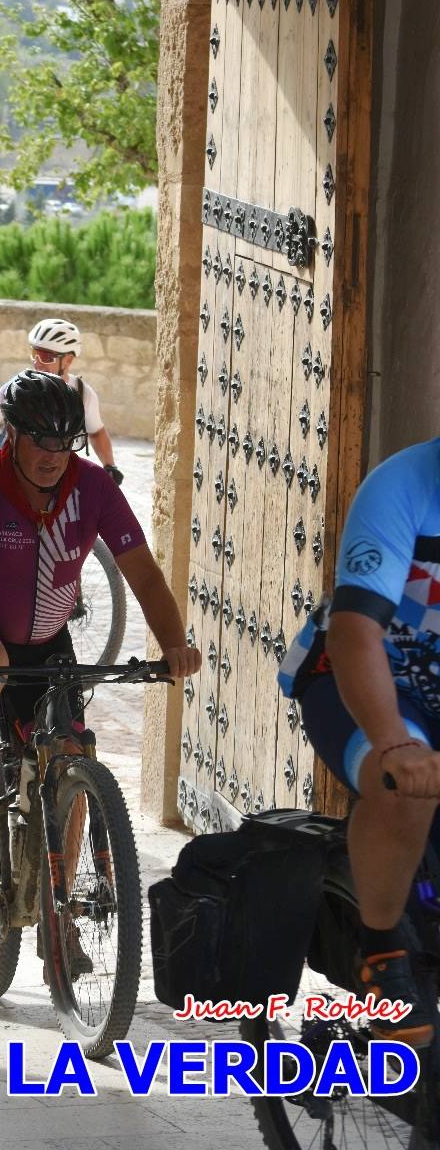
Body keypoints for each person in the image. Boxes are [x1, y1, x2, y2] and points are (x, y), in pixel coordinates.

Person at [0, 370, 201, 855]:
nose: (54, 457)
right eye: (42, 443)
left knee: (70, 751)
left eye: (67, 443)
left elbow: (145, 575)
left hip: (47, 639)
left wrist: (174, 645)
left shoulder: (93, 489)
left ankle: (62, 912)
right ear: (14, 435)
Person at [278, 438, 440, 1047]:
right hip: (367, 680)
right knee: (402, 787)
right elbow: (354, 635)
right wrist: (395, 748)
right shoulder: (404, 486)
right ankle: (382, 950)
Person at [0, 318, 124, 485]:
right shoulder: (19, 386)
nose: (37, 363)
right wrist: (0, 466)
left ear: (68, 360)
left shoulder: (83, 393)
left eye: (46, 357)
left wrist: (110, 466)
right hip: (16, 470)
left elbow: (97, 433)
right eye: (35, 354)